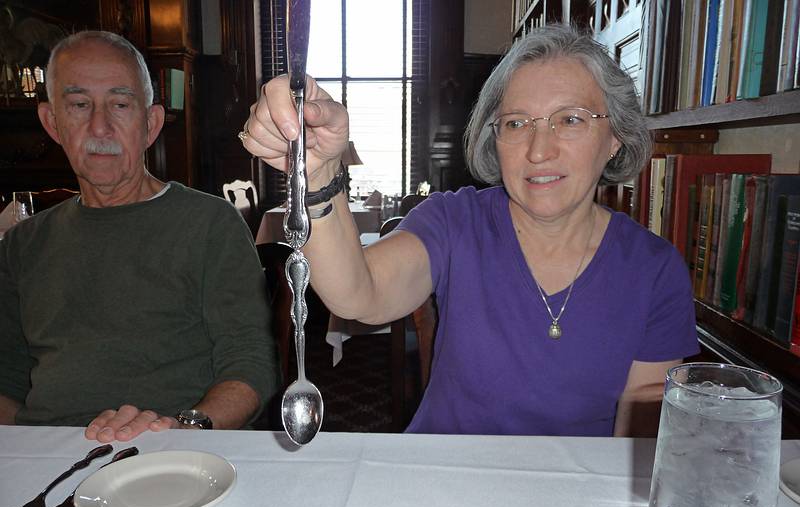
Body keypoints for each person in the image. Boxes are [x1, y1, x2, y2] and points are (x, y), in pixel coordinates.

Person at [240, 25, 699, 437]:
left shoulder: (654, 270)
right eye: (517, 123)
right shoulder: (455, 221)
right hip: (442, 483)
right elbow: (359, 294)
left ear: (615, 135)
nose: (539, 150)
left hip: (571, 503)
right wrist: (318, 170)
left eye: (571, 119)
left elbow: (637, 446)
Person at [0, 31, 278, 442]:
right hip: (47, 457)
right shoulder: (21, 245)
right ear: (52, 122)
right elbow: (6, 379)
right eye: (79, 105)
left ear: (150, 125)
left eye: (120, 104)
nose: (100, 126)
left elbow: (251, 364)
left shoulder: (209, 225)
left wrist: (184, 428)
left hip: (172, 449)